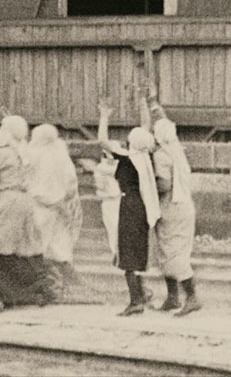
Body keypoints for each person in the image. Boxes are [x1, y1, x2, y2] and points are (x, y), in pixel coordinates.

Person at [0, 113, 55, 313]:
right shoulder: (28, 154)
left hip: (7, 201)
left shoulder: (0, 154)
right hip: (26, 202)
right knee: (24, 247)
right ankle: (33, 292)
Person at [95, 96, 161, 316]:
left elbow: (102, 141)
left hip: (129, 206)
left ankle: (135, 301)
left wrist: (104, 116)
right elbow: (145, 128)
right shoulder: (145, 157)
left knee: (127, 256)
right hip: (142, 207)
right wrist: (143, 102)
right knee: (138, 252)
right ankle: (141, 295)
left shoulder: (127, 159)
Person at [149, 98, 200, 317]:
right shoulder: (176, 148)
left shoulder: (161, 156)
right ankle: (172, 297)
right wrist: (153, 105)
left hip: (171, 206)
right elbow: (164, 122)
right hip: (185, 205)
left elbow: (164, 184)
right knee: (171, 252)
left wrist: (147, 187)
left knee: (171, 254)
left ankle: (191, 297)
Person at [28, 124, 83, 298]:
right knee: (59, 247)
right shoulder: (61, 155)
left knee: (38, 246)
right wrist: (62, 200)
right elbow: (71, 184)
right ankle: (67, 285)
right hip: (59, 207)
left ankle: (47, 287)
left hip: (37, 205)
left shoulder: (32, 155)